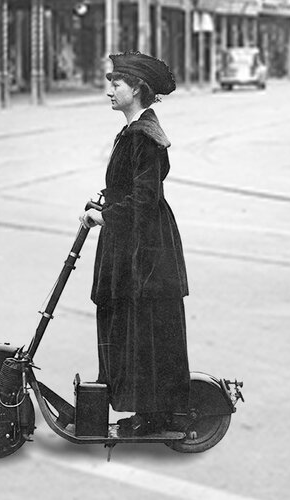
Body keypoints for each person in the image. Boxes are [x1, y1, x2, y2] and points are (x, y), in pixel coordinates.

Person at [78, 51, 190, 438]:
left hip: (146, 249)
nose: (109, 90)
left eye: (116, 84)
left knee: (144, 328)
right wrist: (104, 204)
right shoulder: (133, 131)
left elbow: (145, 199)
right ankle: (144, 410)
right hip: (133, 241)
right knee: (132, 325)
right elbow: (128, 190)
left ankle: (154, 414)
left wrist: (106, 216)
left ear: (138, 90)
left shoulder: (144, 137)